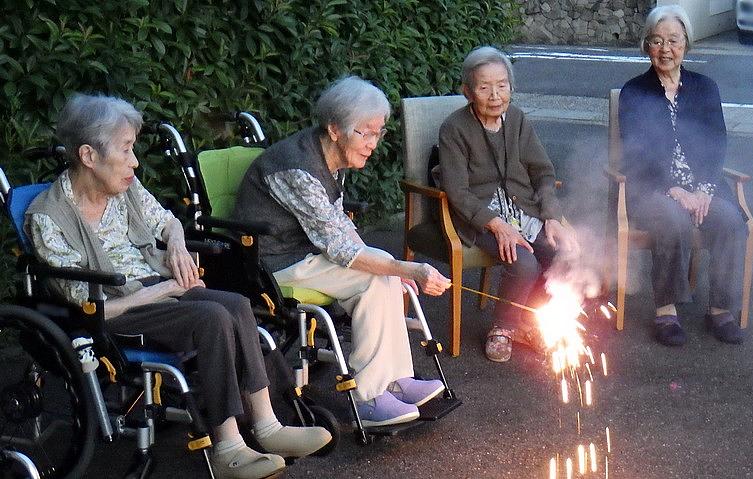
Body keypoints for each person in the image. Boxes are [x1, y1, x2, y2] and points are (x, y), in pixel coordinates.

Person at [25, 94, 331, 479]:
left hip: (160, 288)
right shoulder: (48, 218)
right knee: (213, 319)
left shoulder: (127, 188)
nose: (135, 162)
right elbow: (92, 306)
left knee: (236, 305)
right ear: (88, 155)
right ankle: (228, 447)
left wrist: (178, 246)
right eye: (126, 150)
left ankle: (268, 427)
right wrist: (166, 289)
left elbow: (167, 220)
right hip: (118, 310)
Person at [232, 76, 452, 428]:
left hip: (305, 252)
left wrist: (395, 270)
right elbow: (339, 248)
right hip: (274, 261)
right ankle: (368, 398)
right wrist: (408, 270)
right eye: (364, 133)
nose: (373, 143)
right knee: (373, 278)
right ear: (334, 129)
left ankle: (395, 379)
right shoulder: (296, 168)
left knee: (382, 270)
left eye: (378, 133)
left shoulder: (330, 156)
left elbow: (338, 229)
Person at [438, 46, 579, 363]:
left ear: (511, 88)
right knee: (524, 263)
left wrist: (552, 217)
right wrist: (496, 224)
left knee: (562, 252)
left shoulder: (517, 120)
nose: (494, 94)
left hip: (524, 210)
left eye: (502, 85)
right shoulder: (454, 129)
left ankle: (529, 322)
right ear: (467, 91)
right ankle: (502, 328)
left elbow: (543, 172)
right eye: (484, 86)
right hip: (480, 217)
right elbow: (458, 191)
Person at [619, 5, 747, 346]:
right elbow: (636, 152)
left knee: (732, 221)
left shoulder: (706, 88)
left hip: (702, 187)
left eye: (673, 40)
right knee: (671, 219)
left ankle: (721, 309)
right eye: (657, 41)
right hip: (652, 188)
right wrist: (674, 189)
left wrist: (704, 189)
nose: (666, 49)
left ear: (686, 44)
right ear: (646, 46)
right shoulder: (634, 92)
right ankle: (666, 311)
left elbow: (717, 142)